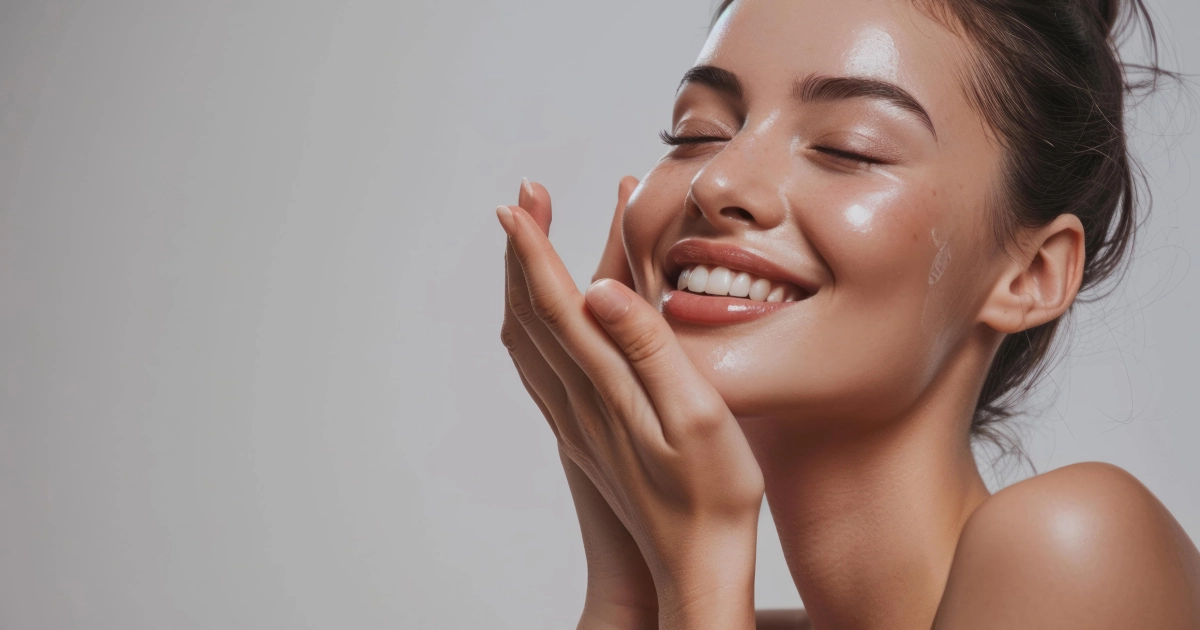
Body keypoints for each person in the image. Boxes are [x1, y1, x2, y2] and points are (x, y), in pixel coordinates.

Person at [496, 0, 1200, 627]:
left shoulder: (1076, 545)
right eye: (697, 133)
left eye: (846, 146)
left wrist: (699, 567)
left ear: (1032, 274)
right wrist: (628, 592)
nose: (717, 182)